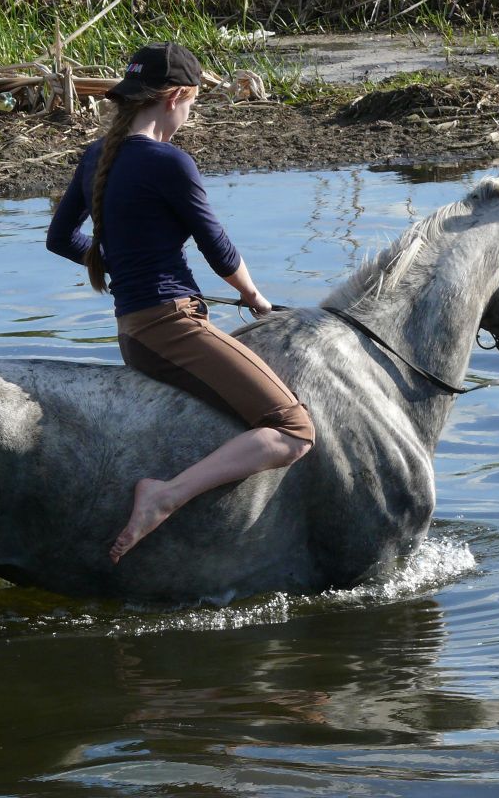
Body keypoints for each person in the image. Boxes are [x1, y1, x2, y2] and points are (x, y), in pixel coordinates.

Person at [46, 42, 316, 564]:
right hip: (172, 328)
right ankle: (165, 495)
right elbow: (219, 249)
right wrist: (255, 298)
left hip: (134, 332)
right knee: (295, 429)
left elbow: (60, 239)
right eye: (193, 102)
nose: (191, 112)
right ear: (176, 97)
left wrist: (120, 265)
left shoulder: (97, 155)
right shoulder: (170, 162)